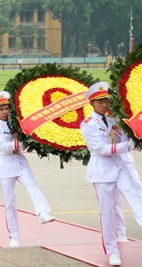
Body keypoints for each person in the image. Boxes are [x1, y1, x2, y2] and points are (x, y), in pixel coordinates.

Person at [80, 82, 142, 266]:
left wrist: (136, 140)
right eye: (100, 101)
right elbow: (100, 149)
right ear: (92, 103)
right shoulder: (88, 124)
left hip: (120, 167)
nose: (105, 104)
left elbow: (126, 137)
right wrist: (128, 146)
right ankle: (112, 251)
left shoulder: (115, 119)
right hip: (102, 171)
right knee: (107, 214)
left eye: (106, 100)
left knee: (137, 197)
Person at [0, 91, 55, 248]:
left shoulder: (18, 123)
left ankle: (42, 212)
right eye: (1, 109)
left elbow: (28, 137)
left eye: (7, 108)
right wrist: (23, 142)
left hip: (20, 162)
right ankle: (14, 236)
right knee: (10, 203)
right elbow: (4, 147)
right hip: (5, 165)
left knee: (32, 185)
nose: (5, 112)